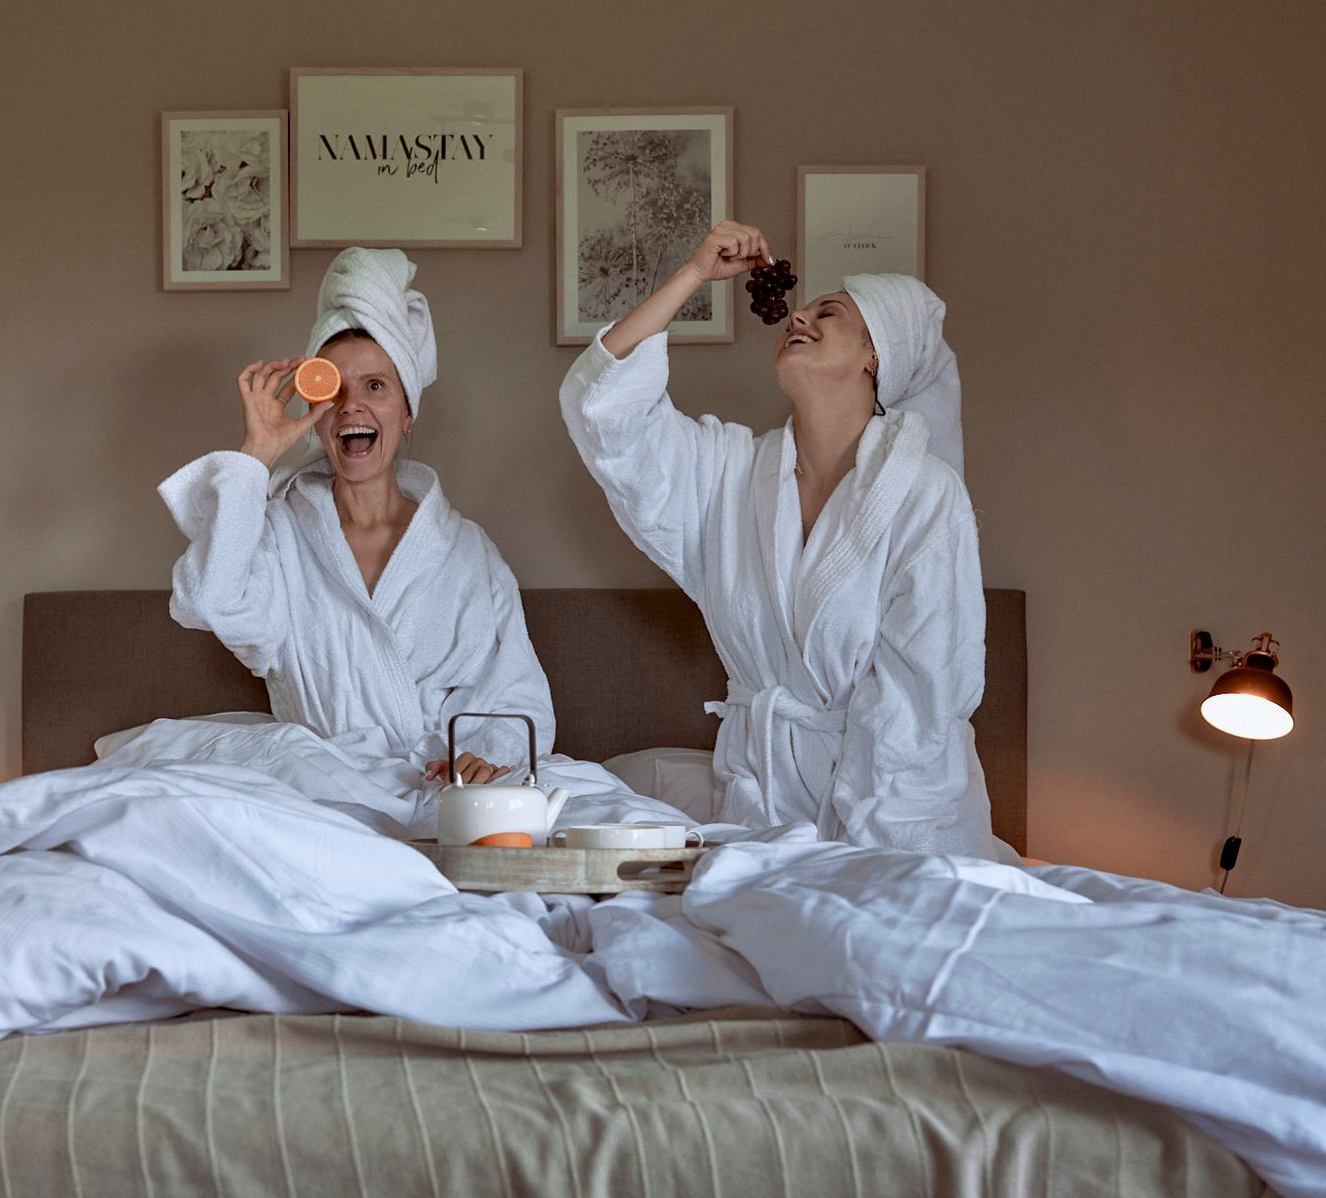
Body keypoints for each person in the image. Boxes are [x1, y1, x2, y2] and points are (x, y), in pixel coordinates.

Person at [560, 220, 1009, 858]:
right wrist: (692, 275)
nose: (798, 315)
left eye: (830, 312)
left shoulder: (926, 495)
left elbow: (920, 706)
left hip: (903, 820)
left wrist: (866, 865)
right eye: (803, 307)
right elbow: (605, 414)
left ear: (875, 355)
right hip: (759, 810)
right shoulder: (729, 474)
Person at [160, 247, 551, 783]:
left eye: (375, 386)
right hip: (322, 783)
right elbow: (208, 600)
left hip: (446, 787)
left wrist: (482, 762)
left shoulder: (465, 550)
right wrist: (255, 457)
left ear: (407, 413)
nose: (351, 407)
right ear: (316, 418)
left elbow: (516, 694)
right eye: (334, 390)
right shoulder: (281, 533)